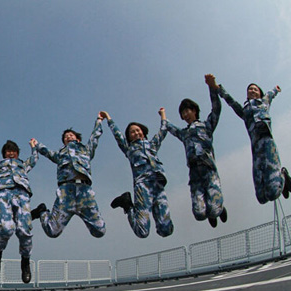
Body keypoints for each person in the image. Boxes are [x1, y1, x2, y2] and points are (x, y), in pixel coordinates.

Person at [161, 74, 227, 227]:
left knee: (214, 210)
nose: (185, 115)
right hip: (194, 173)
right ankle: (211, 210)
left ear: (194, 111)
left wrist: (212, 86)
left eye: (187, 111)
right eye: (182, 113)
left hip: (208, 170)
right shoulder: (184, 134)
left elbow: (216, 109)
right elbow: (170, 128)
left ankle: (218, 209)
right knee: (199, 214)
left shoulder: (206, 126)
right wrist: (163, 116)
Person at [0, 139, 39, 283]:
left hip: (22, 195)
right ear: (4, 154)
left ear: (17, 154)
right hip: (3, 194)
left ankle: (25, 261)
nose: (10, 153)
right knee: (6, 228)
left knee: (24, 230)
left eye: (13, 151)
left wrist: (33, 147)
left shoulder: (23, 165)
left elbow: (34, 159)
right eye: (7, 151)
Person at [217, 78, 291, 204]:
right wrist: (220, 90)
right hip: (256, 148)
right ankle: (277, 183)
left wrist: (276, 89)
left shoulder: (263, 102)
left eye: (255, 89)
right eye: (250, 89)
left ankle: (282, 175)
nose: (252, 90)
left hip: (267, 143)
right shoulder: (244, 111)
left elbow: (270, 94)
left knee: (273, 193)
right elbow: (232, 102)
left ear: (259, 93)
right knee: (261, 198)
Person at [101, 111, 173, 238]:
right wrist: (108, 118)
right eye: (132, 132)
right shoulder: (129, 149)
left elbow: (163, 131)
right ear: (129, 137)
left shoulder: (152, 145)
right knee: (142, 232)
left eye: (138, 130)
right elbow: (118, 135)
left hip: (159, 186)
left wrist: (163, 115)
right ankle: (127, 205)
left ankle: (129, 205)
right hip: (142, 187)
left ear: (143, 132)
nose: (136, 133)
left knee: (166, 230)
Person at [30, 121, 106, 239]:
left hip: (85, 192)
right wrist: (36, 144)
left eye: (71, 135)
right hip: (66, 193)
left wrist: (99, 122)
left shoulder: (86, 150)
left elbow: (94, 137)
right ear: (64, 141)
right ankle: (42, 211)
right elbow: (47, 152)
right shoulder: (60, 154)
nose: (68, 137)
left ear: (78, 139)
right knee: (52, 232)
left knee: (100, 231)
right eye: (66, 137)